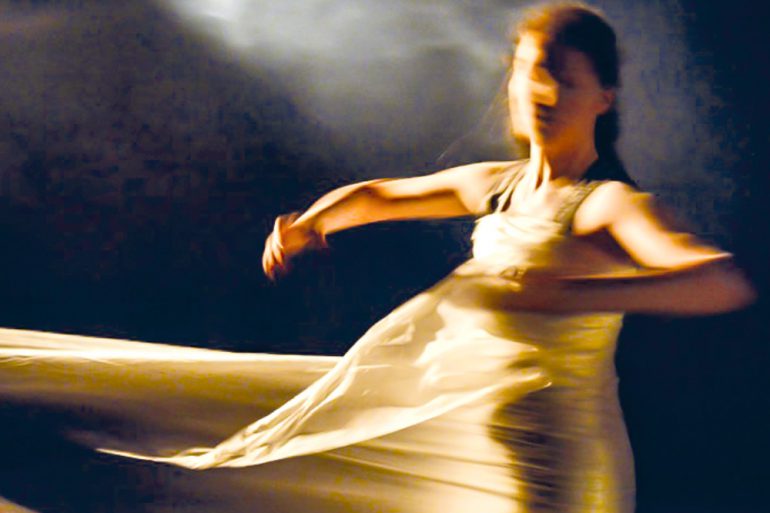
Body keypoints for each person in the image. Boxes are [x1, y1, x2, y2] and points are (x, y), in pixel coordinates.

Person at [0, 3, 755, 513]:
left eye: (562, 73)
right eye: (530, 70)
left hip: (560, 470)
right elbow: (383, 195)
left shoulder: (606, 204)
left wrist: (579, 296)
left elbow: (720, 280)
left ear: (604, 96)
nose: (542, 89)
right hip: (478, 455)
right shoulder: (499, 187)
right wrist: (312, 223)